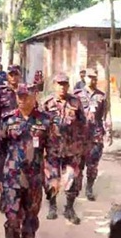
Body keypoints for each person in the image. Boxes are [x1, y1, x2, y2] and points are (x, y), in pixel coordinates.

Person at [0, 84, 61, 238]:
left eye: (25, 96)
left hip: (34, 180)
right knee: (12, 221)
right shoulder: (8, 120)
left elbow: (53, 153)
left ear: (34, 96)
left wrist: (54, 177)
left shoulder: (45, 121)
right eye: (19, 96)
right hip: (12, 179)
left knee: (30, 223)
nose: (21, 99)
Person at [41, 73, 87, 224]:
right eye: (59, 84)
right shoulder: (46, 104)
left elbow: (83, 125)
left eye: (65, 84)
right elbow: (40, 127)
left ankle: (69, 207)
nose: (62, 87)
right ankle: (52, 206)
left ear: (68, 85)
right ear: (54, 85)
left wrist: (82, 147)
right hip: (52, 149)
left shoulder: (76, 102)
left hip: (71, 150)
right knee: (51, 179)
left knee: (73, 178)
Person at [74, 68, 113, 201]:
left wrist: (108, 131)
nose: (93, 80)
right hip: (79, 135)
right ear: (85, 78)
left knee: (93, 164)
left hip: (95, 135)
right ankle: (77, 186)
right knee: (78, 163)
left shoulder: (101, 96)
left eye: (95, 77)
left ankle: (89, 187)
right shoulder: (76, 95)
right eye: (90, 77)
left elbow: (106, 115)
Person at [0, 65, 23, 142]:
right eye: (11, 75)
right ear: (7, 76)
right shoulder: (1, 91)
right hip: (4, 131)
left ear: (20, 76)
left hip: (21, 130)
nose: (13, 77)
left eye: (16, 74)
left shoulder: (25, 92)